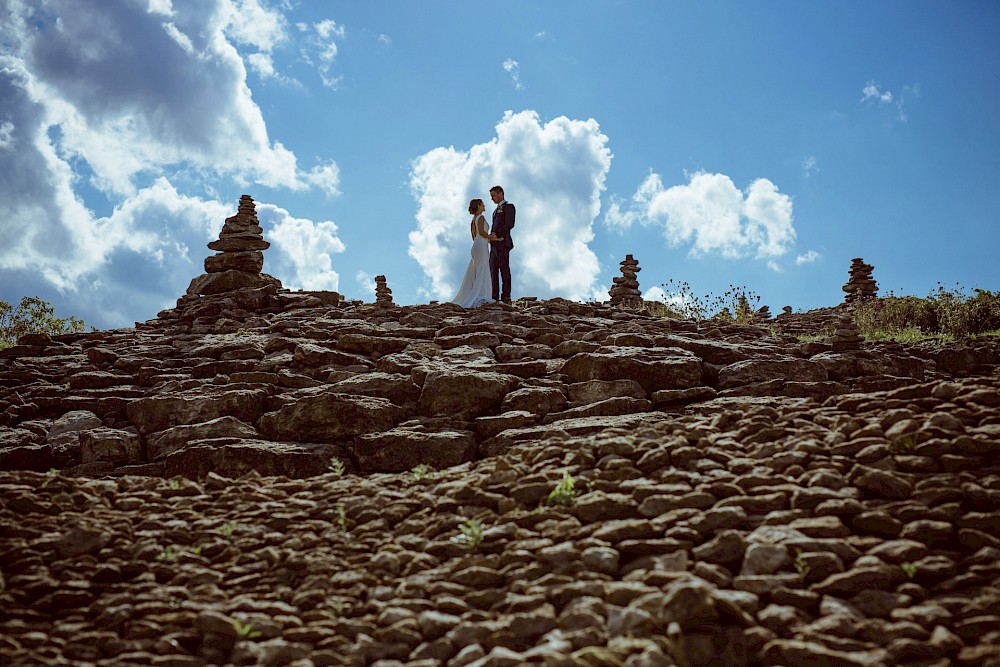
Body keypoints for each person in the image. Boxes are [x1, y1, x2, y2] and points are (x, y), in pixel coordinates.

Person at [451, 198, 494, 308]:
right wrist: (491, 237)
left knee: (477, 269)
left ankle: (478, 293)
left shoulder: (473, 220)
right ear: (479, 206)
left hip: (476, 245)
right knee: (482, 268)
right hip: (481, 246)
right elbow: (482, 232)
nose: (484, 205)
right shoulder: (481, 217)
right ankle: (481, 295)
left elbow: (474, 236)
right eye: (482, 204)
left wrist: (485, 240)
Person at [488, 185, 515, 303]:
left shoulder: (509, 207)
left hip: (503, 243)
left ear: (501, 194)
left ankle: (506, 296)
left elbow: (509, 224)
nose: (492, 198)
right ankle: (494, 296)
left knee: (504, 269)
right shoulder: (495, 211)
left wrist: (497, 234)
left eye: (493, 195)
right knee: (493, 270)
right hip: (494, 245)